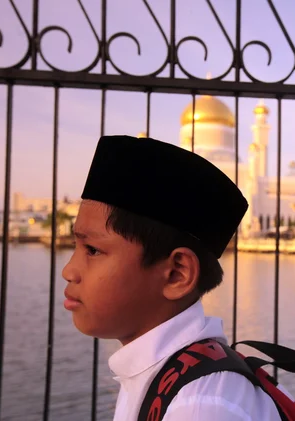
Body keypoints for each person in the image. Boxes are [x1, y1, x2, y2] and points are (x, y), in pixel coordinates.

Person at [62, 135, 283, 420]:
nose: (68, 271)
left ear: (177, 274)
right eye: (75, 247)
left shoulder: (201, 406)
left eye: (92, 250)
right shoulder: (167, 373)